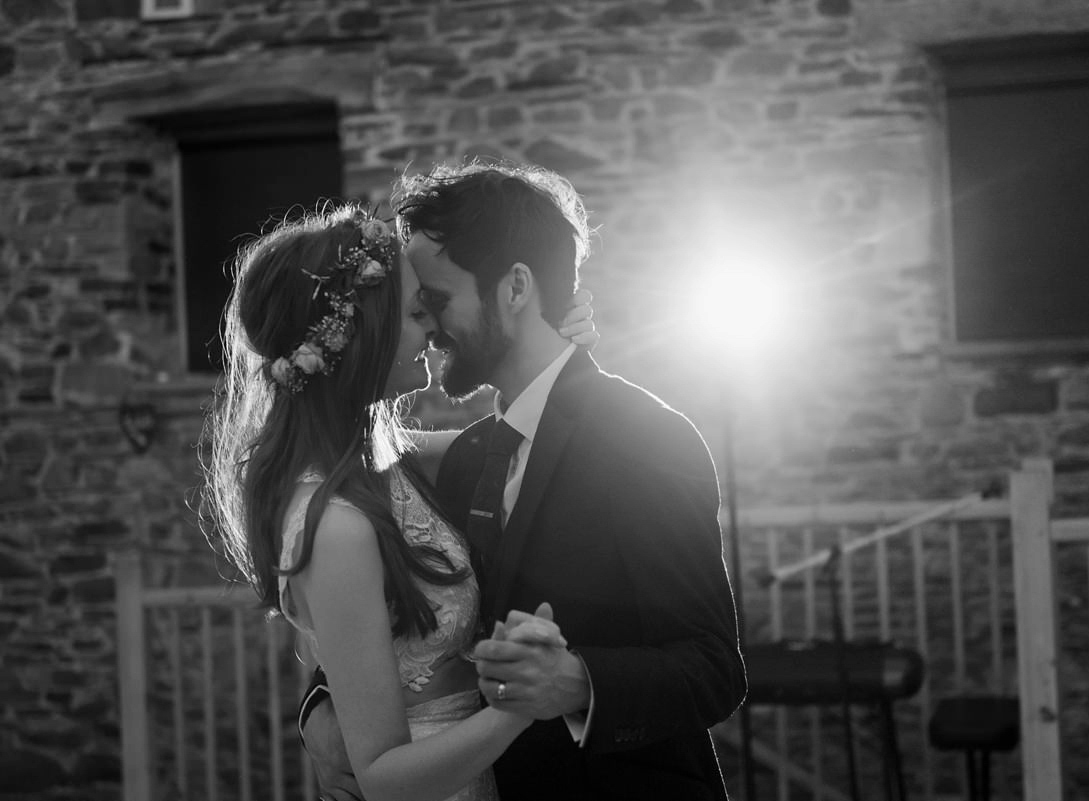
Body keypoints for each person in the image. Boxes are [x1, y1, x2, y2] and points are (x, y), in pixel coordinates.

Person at [302, 161, 747, 800]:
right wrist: (318, 710)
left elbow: (715, 667)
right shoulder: (464, 457)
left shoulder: (647, 437)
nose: (427, 330)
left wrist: (580, 682)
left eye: (438, 301)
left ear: (514, 288)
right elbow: (397, 631)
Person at [199, 203, 597, 801]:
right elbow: (383, 776)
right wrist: (521, 704)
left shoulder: (391, 467)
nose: (433, 329)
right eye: (416, 313)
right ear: (359, 332)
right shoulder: (335, 524)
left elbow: (520, 434)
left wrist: (554, 349)